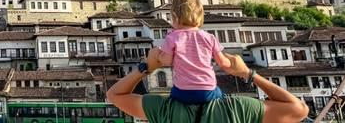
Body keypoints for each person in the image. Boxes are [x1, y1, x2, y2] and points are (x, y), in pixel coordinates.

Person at [106, 47, 309, 123]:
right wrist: (248, 73)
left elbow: (115, 95)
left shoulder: (164, 109)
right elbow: (299, 110)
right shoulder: (238, 108)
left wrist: (146, 68)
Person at [156, 0, 231, 104]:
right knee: (223, 97)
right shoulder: (209, 37)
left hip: (182, 92)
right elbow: (224, 63)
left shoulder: (172, 37)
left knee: (171, 99)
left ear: (174, 16)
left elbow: (166, 61)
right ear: (201, 15)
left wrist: (159, 55)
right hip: (207, 91)